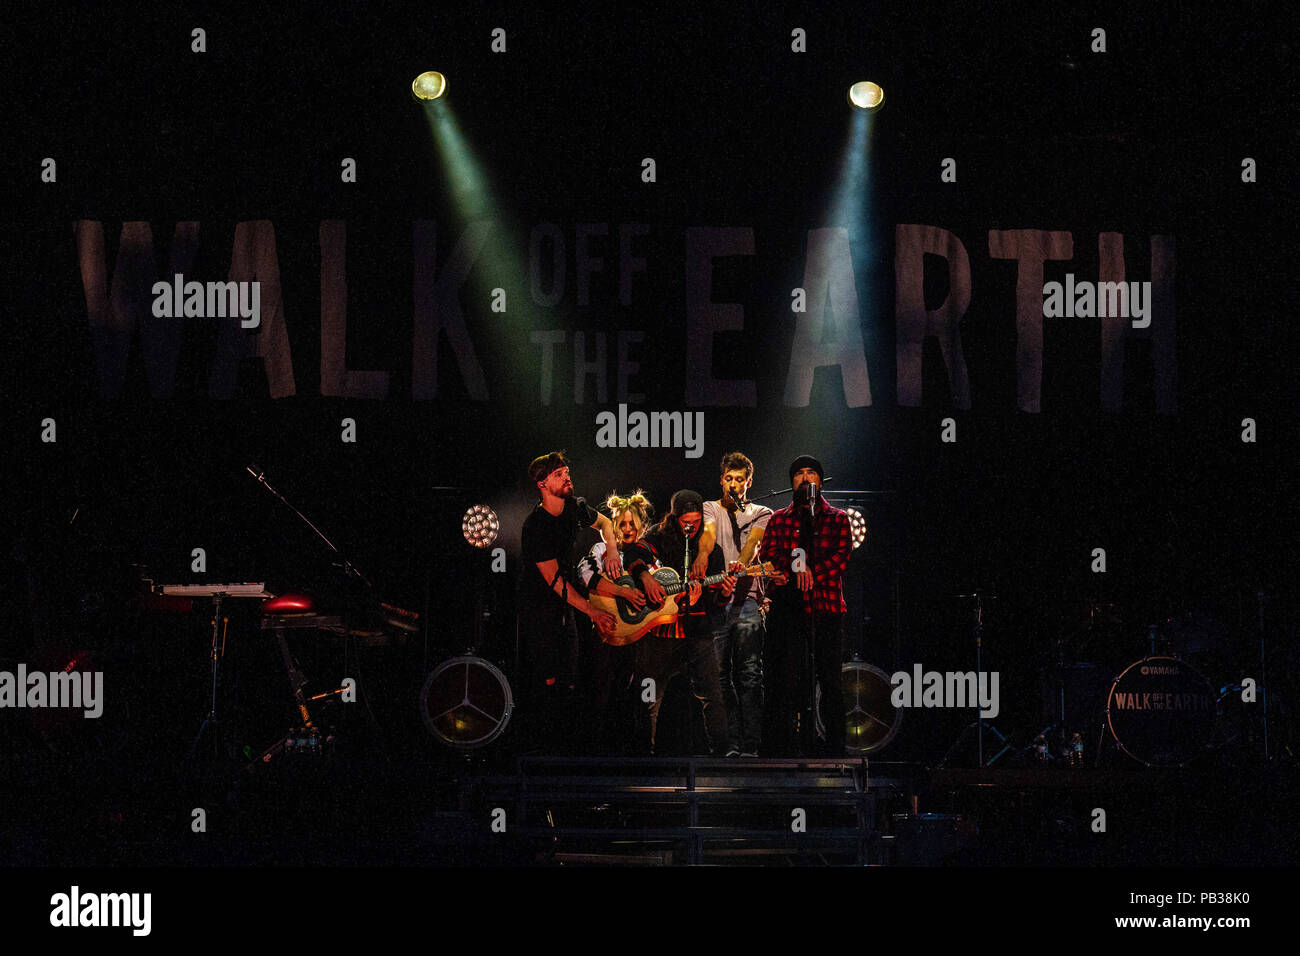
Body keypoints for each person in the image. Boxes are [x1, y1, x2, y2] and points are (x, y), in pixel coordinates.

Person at [517, 451, 620, 753]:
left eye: (566, 471)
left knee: (571, 676)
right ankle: (543, 754)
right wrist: (593, 611)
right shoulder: (535, 525)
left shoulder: (576, 508)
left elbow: (606, 524)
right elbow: (554, 581)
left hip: (567, 603)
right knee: (548, 681)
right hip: (539, 606)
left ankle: (569, 750)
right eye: (559, 474)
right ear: (542, 484)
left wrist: (612, 550)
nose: (566, 477)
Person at [622, 490, 735, 755]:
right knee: (647, 696)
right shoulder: (656, 538)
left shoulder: (711, 551)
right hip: (659, 633)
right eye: (685, 521)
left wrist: (724, 593)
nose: (690, 527)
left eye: (696, 522)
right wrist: (646, 577)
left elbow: (718, 605)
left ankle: (721, 756)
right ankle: (642, 755)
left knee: (712, 696)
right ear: (673, 518)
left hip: (697, 634)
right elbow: (633, 554)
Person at [760, 455, 854, 756]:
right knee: (785, 678)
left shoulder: (838, 518)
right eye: (798, 473)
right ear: (792, 482)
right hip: (788, 609)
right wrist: (797, 566)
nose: (804, 477)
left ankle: (835, 749)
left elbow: (841, 557)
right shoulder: (779, 518)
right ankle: (784, 747)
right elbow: (770, 551)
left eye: (811, 472)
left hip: (825, 609)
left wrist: (812, 573)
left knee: (830, 681)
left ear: (820, 480)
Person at [702, 452, 775, 757]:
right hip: (718, 603)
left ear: (749, 482)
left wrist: (740, 565)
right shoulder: (710, 508)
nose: (734, 484)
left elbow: (754, 544)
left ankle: (751, 746)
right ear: (722, 480)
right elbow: (707, 536)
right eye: (728, 478)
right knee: (717, 676)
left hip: (747, 601)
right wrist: (703, 558)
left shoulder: (762, 511)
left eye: (739, 480)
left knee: (749, 673)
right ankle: (727, 745)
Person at [576, 491, 658, 754]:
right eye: (621, 524)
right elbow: (585, 575)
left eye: (632, 524)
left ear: (641, 526)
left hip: (638, 638)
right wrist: (622, 592)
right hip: (605, 633)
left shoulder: (647, 554)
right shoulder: (601, 549)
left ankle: (639, 757)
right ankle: (599, 758)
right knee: (602, 693)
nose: (627, 529)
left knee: (638, 697)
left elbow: (661, 587)